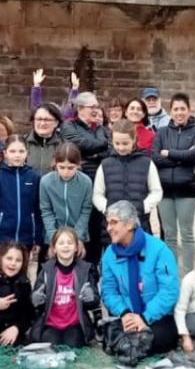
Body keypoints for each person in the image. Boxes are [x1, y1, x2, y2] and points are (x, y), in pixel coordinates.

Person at [99, 200, 180, 356]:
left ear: (129, 224)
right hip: (127, 317)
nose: (109, 228)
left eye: (114, 223)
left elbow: (169, 291)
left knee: (152, 340)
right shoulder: (110, 254)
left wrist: (144, 317)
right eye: (108, 223)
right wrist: (125, 314)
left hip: (156, 317)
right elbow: (108, 290)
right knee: (116, 340)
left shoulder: (159, 249)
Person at [153, 93, 195, 270]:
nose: (179, 112)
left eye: (183, 108)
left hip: (187, 189)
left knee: (187, 233)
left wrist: (168, 153)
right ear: (171, 111)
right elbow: (155, 157)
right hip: (165, 189)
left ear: (189, 110)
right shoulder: (161, 133)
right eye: (176, 109)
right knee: (169, 235)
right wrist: (181, 157)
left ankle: (190, 274)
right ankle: (171, 274)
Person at [60, 92, 111, 264]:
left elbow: (109, 149)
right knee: (82, 224)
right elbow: (80, 145)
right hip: (80, 181)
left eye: (97, 106)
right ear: (80, 108)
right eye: (92, 107)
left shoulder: (101, 128)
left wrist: (93, 152)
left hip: (101, 180)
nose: (96, 110)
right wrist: (98, 149)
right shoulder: (69, 126)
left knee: (97, 228)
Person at [29, 228, 100, 347]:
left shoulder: (85, 269)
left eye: (70, 243)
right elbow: (36, 300)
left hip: (75, 323)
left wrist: (91, 297)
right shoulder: (46, 269)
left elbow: (95, 301)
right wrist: (35, 299)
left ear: (76, 247)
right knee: (51, 345)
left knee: (72, 345)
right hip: (51, 323)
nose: (66, 246)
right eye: (61, 243)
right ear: (54, 248)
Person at [93, 119, 162, 240]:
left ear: (134, 140)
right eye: (117, 143)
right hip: (112, 227)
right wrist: (108, 208)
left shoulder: (147, 163)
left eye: (125, 143)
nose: (121, 147)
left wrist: (143, 207)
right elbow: (97, 194)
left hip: (139, 224)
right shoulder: (105, 164)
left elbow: (156, 191)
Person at [0, 135, 41, 250]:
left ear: (27, 153)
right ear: (5, 153)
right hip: (1, 236)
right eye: (12, 151)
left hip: (26, 237)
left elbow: (37, 209)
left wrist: (38, 239)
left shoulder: (34, 177)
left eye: (21, 151)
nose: (17, 155)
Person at [39, 143, 93, 250]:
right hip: (53, 237)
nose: (66, 172)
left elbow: (86, 210)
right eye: (61, 167)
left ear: (78, 164)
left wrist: (77, 238)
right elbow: (46, 211)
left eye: (71, 168)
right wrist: (53, 238)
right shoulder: (46, 181)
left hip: (78, 237)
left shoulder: (86, 182)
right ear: (56, 164)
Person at [26, 103, 64, 177]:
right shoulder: (22, 143)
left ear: (56, 123)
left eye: (47, 120)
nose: (42, 123)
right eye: (39, 119)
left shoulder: (64, 146)